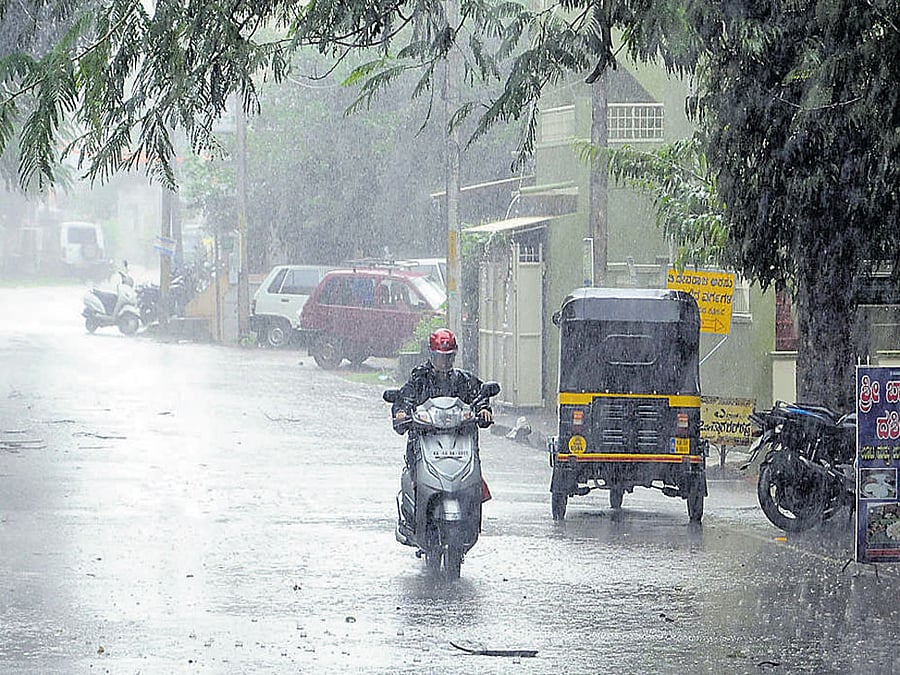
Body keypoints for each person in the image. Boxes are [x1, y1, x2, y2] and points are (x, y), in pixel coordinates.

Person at [391, 328, 493, 535]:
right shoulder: (420, 378)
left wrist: (483, 410)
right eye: (439, 357)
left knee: (475, 475)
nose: (444, 362)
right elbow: (405, 397)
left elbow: (479, 396)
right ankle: (414, 515)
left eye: (449, 357)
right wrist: (402, 412)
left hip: (458, 442)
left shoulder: (463, 380)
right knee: (414, 467)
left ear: (454, 356)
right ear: (431, 355)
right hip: (426, 441)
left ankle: (472, 514)